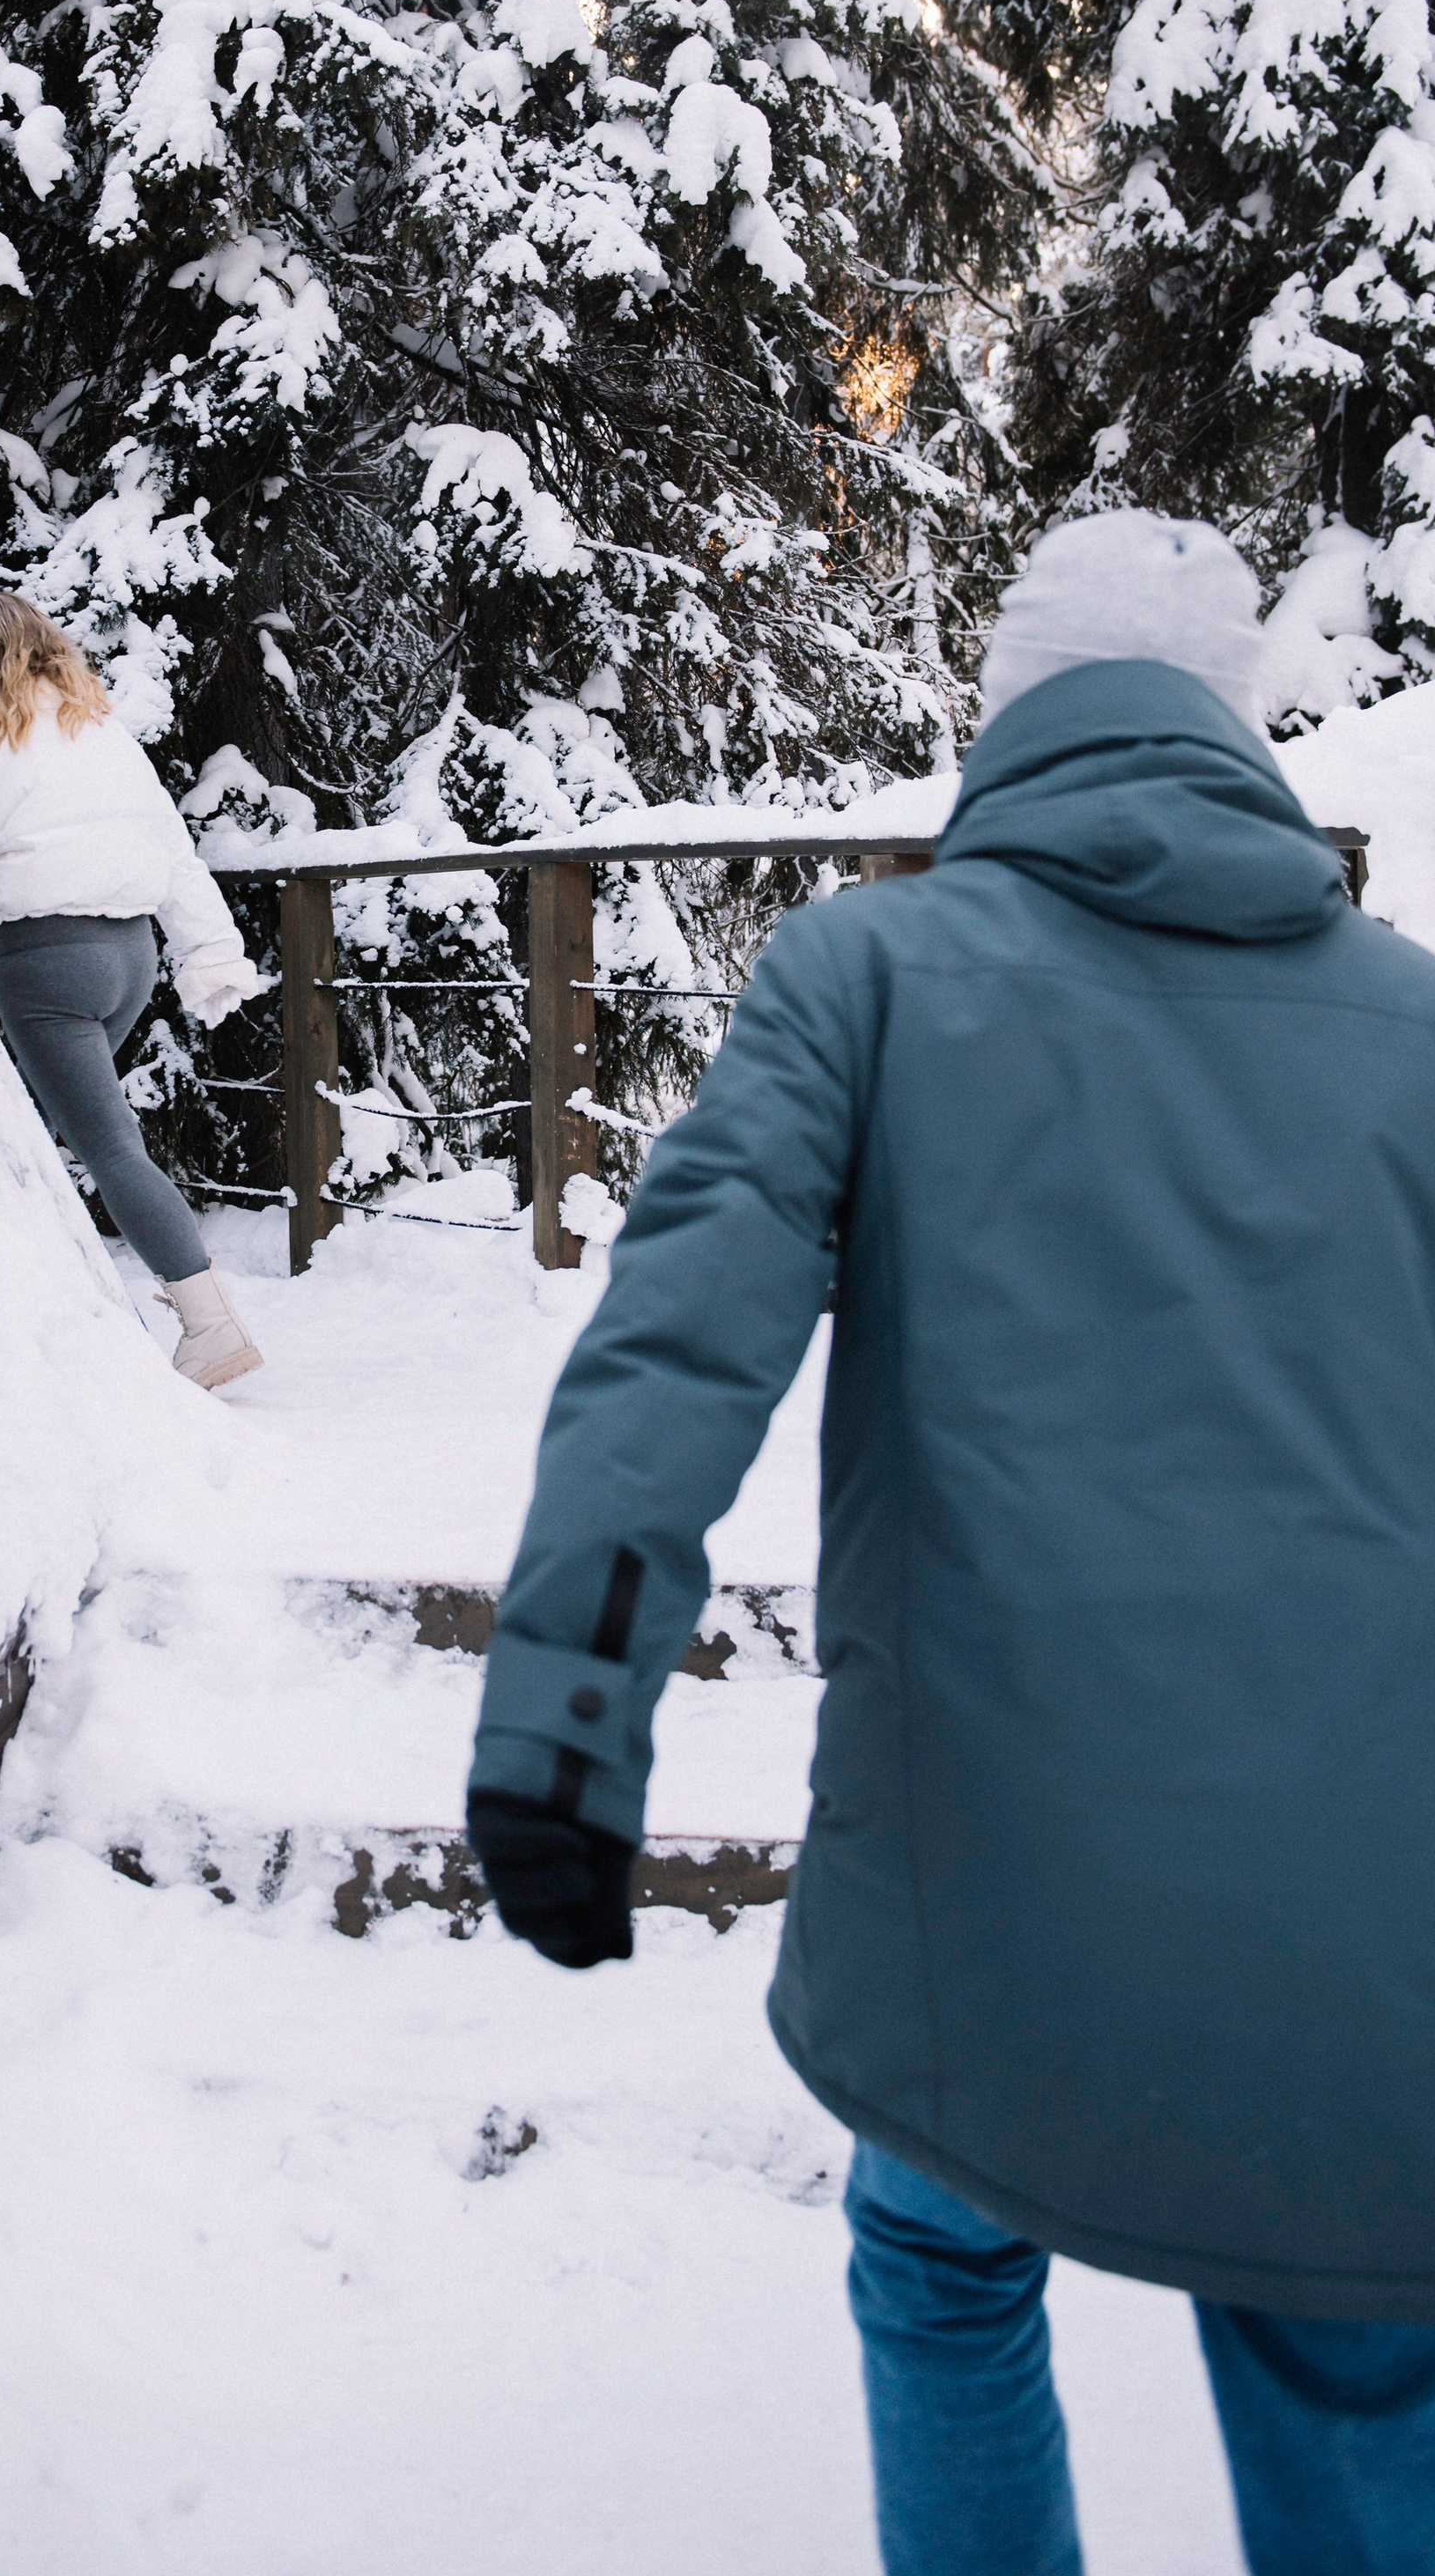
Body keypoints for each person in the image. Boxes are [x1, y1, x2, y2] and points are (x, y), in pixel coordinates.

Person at [465, 510, 1435, 2576]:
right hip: (1368, 1900)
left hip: (991, 1867)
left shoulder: (867, 972)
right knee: (1350, 2347)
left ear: (1009, 711)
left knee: (937, 2251)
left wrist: (561, 1723)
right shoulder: (1411, 1024)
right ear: (1236, 722)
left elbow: (675, 1345)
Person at [0, 592, 267, 1391]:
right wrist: (210, 951)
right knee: (38, 1128)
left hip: (47, 967)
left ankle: (211, 1327)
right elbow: (174, 853)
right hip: (131, 957)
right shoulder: (102, 733)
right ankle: (39, 1298)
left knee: (105, 1144)